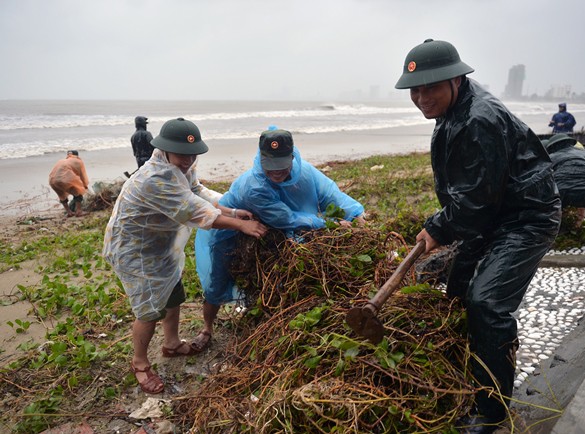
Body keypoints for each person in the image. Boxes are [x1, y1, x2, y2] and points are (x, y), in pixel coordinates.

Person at [395, 39, 561, 433]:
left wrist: (437, 227)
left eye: (430, 87)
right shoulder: (454, 112)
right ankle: (467, 377)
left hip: (526, 217)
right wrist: (447, 224)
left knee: (486, 303)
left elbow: (477, 200)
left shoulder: (479, 119)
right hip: (490, 216)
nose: (421, 98)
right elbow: (470, 194)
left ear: (456, 79)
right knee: (455, 292)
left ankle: (492, 410)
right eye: (415, 90)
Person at [103, 118, 267, 395]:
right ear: (165, 149)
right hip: (136, 251)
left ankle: (171, 343)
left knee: (172, 294)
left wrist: (231, 209)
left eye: (193, 154)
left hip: (161, 247)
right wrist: (241, 224)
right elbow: (196, 212)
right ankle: (140, 363)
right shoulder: (155, 178)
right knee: (148, 310)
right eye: (183, 154)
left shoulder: (181, 164)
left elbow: (196, 191)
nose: (189, 160)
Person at [193, 128, 366, 349]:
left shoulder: (303, 171)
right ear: (261, 157)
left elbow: (329, 193)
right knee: (217, 281)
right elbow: (287, 218)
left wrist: (355, 212)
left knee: (274, 279)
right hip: (235, 230)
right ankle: (207, 328)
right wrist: (331, 224)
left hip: (279, 232)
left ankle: (264, 316)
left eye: (283, 165)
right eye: (271, 166)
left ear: (292, 157)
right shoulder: (253, 187)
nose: (277, 172)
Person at [48, 150, 90, 217]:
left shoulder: (61, 161)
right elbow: (82, 175)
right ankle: (79, 211)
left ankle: (69, 212)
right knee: (78, 191)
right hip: (64, 179)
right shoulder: (78, 161)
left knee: (61, 195)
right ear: (77, 155)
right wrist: (84, 186)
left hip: (52, 180)